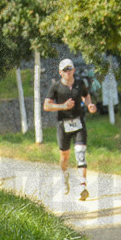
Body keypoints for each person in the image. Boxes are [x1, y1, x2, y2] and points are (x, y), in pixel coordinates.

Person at [43, 58, 97, 201]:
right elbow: (46, 106)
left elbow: (86, 96)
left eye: (70, 69)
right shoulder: (55, 87)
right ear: (60, 72)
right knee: (64, 157)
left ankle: (82, 186)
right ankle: (64, 175)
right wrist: (62, 106)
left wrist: (90, 105)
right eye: (65, 70)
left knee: (80, 154)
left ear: (73, 70)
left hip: (79, 123)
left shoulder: (80, 83)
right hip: (63, 125)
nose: (68, 72)